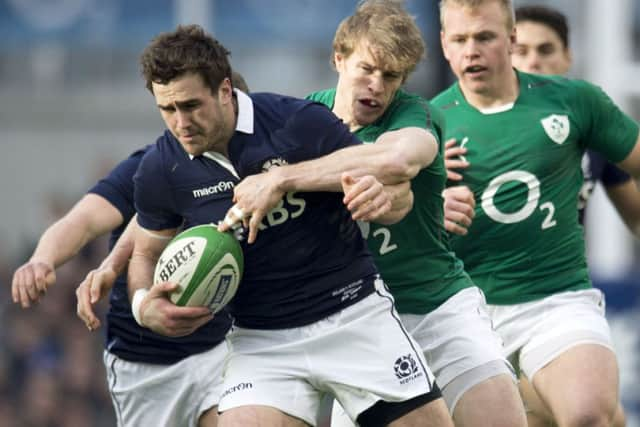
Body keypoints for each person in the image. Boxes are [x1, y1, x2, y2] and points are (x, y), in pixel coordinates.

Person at [129, 24, 454, 427]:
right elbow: (145, 251)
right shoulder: (161, 169)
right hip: (260, 341)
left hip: (352, 315)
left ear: (225, 91)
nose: (181, 123)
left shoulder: (296, 122)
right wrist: (144, 306)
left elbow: (396, 190)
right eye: (168, 109)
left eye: (192, 105)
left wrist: (382, 199)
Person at [296, 1, 525, 426]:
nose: (377, 87)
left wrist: (292, 177)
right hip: (358, 323)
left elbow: (397, 159)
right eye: (367, 69)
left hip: (437, 304)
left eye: (392, 76)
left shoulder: (415, 113)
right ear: (338, 57)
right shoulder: (301, 121)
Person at [433, 1, 640, 427]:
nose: (472, 51)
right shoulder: (423, 125)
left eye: (485, 37)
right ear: (444, 45)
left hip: (553, 301)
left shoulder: (576, 105)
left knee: (589, 413)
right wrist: (424, 190)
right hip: (459, 312)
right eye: (460, 39)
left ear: (507, 41)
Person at [11, 72, 250, 427]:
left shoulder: (253, 173)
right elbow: (84, 220)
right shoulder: (149, 168)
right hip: (144, 361)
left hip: (220, 351)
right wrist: (42, 259)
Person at [509, 6, 635, 426]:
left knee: (597, 415)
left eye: (546, 50)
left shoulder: (589, 132)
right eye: (520, 50)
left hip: (554, 305)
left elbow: (635, 217)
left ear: (567, 58)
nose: (533, 61)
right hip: (478, 307)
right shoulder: (459, 127)